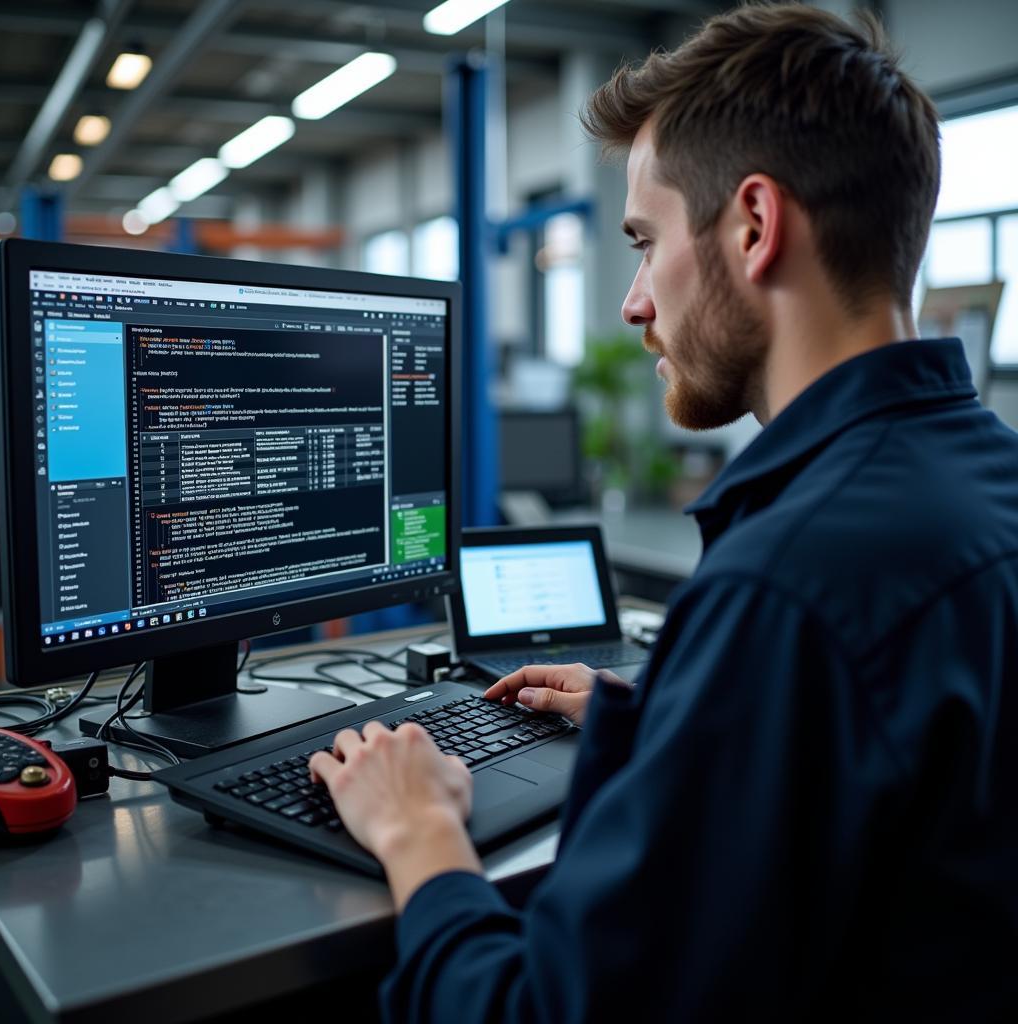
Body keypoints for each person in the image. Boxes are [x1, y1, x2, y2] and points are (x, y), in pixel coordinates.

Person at [310, 4, 1018, 1020]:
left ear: (754, 226)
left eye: (644, 242)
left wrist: (419, 832)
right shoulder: (982, 483)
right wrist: (677, 719)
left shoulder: (788, 587)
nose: (633, 301)